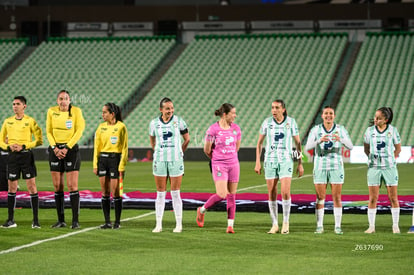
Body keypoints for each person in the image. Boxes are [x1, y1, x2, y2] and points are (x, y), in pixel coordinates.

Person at [254, 99, 304, 234]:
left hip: (286, 160)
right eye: (272, 108)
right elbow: (259, 143)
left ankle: (286, 222)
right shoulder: (267, 122)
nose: (274, 110)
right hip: (270, 160)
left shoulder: (291, 122)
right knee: (271, 193)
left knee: (285, 192)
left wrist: (300, 163)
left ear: (283, 109)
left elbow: (298, 144)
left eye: (277, 108)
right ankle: (275, 224)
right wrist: (258, 162)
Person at [305, 106, 353, 235]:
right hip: (320, 165)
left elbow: (351, 146)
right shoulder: (316, 130)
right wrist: (319, 140)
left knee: (337, 197)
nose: (328, 116)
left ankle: (337, 226)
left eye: (331, 113)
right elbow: (307, 147)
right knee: (320, 197)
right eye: (326, 113)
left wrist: (340, 139)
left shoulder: (340, 129)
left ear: (334, 116)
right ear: (322, 116)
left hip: (336, 166)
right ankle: (319, 226)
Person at [196, 103, 241, 234]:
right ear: (225, 115)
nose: (235, 115)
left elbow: (236, 148)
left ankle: (230, 226)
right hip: (219, 165)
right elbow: (207, 149)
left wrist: (229, 157)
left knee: (232, 195)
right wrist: (217, 159)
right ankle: (202, 210)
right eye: (233, 113)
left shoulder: (236, 129)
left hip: (233, 164)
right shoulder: (213, 130)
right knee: (222, 194)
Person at [0, 96, 43, 228]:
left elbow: (39, 140)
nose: (15, 106)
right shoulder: (7, 122)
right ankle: (10, 220)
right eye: (13, 104)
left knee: (31, 187)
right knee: (11, 188)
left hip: (26, 156)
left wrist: (24, 146)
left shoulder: (30, 121)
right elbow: (1, 141)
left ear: (24, 106)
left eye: (18, 104)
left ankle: (35, 221)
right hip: (12, 157)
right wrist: (8, 147)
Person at [149, 97, 190, 233]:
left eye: (172, 108)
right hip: (160, 160)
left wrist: (180, 152)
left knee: (175, 193)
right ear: (161, 109)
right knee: (160, 193)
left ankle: (178, 224)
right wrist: (158, 151)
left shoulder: (179, 121)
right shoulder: (154, 123)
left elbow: (187, 138)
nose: (170, 111)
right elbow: (152, 140)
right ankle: (158, 224)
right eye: (167, 108)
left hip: (175, 160)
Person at [46, 90, 85, 229]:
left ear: (69, 100)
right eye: (61, 98)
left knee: (72, 186)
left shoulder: (76, 111)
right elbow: (49, 131)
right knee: (57, 187)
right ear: (57, 101)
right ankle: (61, 220)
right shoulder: (51, 111)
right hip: (55, 150)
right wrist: (55, 148)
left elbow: (79, 131)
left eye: (66, 98)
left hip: (71, 151)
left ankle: (75, 221)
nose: (63, 101)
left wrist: (67, 147)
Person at [363, 107, 401, 234]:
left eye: (379, 118)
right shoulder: (369, 131)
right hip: (374, 168)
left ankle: (395, 226)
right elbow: (366, 148)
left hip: (389, 168)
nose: (375, 120)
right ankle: (371, 227)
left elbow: (398, 148)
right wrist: (371, 158)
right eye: (375, 117)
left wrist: (391, 159)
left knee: (393, 198)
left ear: (386, 120)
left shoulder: (393, 131)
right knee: (373, 198)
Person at [93, 103, 128, 229]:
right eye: (102, 112)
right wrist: (95, 164)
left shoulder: (121, 127)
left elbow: (124, 148)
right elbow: (96, 147)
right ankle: (107, 222)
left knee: (116, 192)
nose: (102, 115)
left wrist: (122, 166)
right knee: (105, 192)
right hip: (103, 160)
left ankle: (117, 222)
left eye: (105, 112)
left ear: (112, 114)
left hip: (115, 160)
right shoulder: (100, 127)